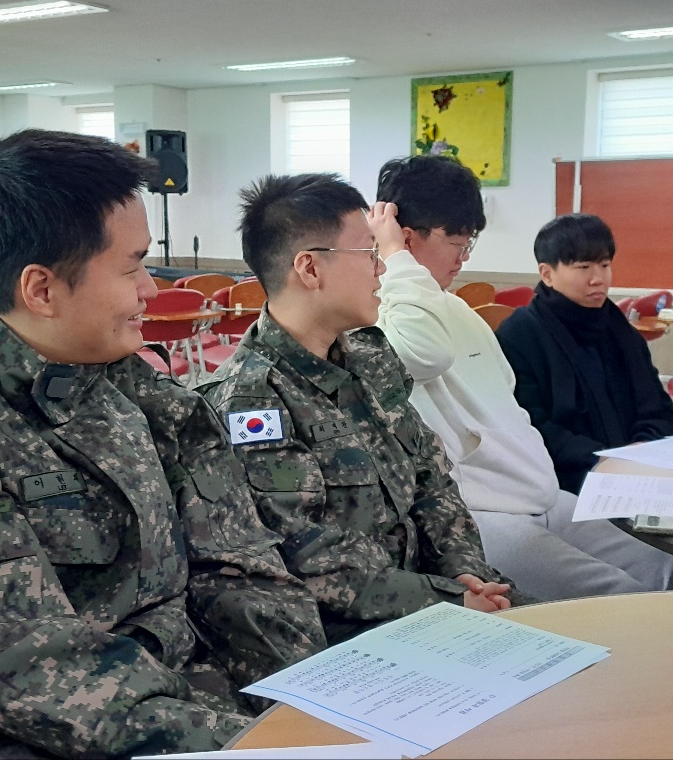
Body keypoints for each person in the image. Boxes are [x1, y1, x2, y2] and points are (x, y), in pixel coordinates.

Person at [0, 130, 326, 758]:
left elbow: (240, 569)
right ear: (41, 290)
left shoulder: (145, 397)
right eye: (132, 267)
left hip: (182, 708)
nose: (150, 290)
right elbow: (35, 676)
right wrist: (254, 745)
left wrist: (310, 700)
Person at [199, 173, 521, 644]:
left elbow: (431, 477)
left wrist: (465, 571)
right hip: (359, 629)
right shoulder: (250, 403)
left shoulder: (370, 356)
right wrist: (446, 599)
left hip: (442, 597)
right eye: (369, 253)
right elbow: (308, 556)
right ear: (310, 269)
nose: (382, 269)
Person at [374, 155, 673, 600]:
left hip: (540, 493)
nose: (463, 257)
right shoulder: (380, 311)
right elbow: (423, 353)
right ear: (407, 237)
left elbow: (511, 403)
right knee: (623, 597)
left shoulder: (455, 309)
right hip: (479, 512)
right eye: (457, 242)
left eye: (470, 243)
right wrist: (394, 258)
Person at [497, 213, 673, 495]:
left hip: (639, 472)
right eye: (583, 267)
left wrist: (644, 447)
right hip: (564, 484)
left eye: (605, 265)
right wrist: (605, 459)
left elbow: (657, 408)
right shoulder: (520, 333)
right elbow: (528, 426)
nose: (598, 279)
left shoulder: (619, 329)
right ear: (547, 274)